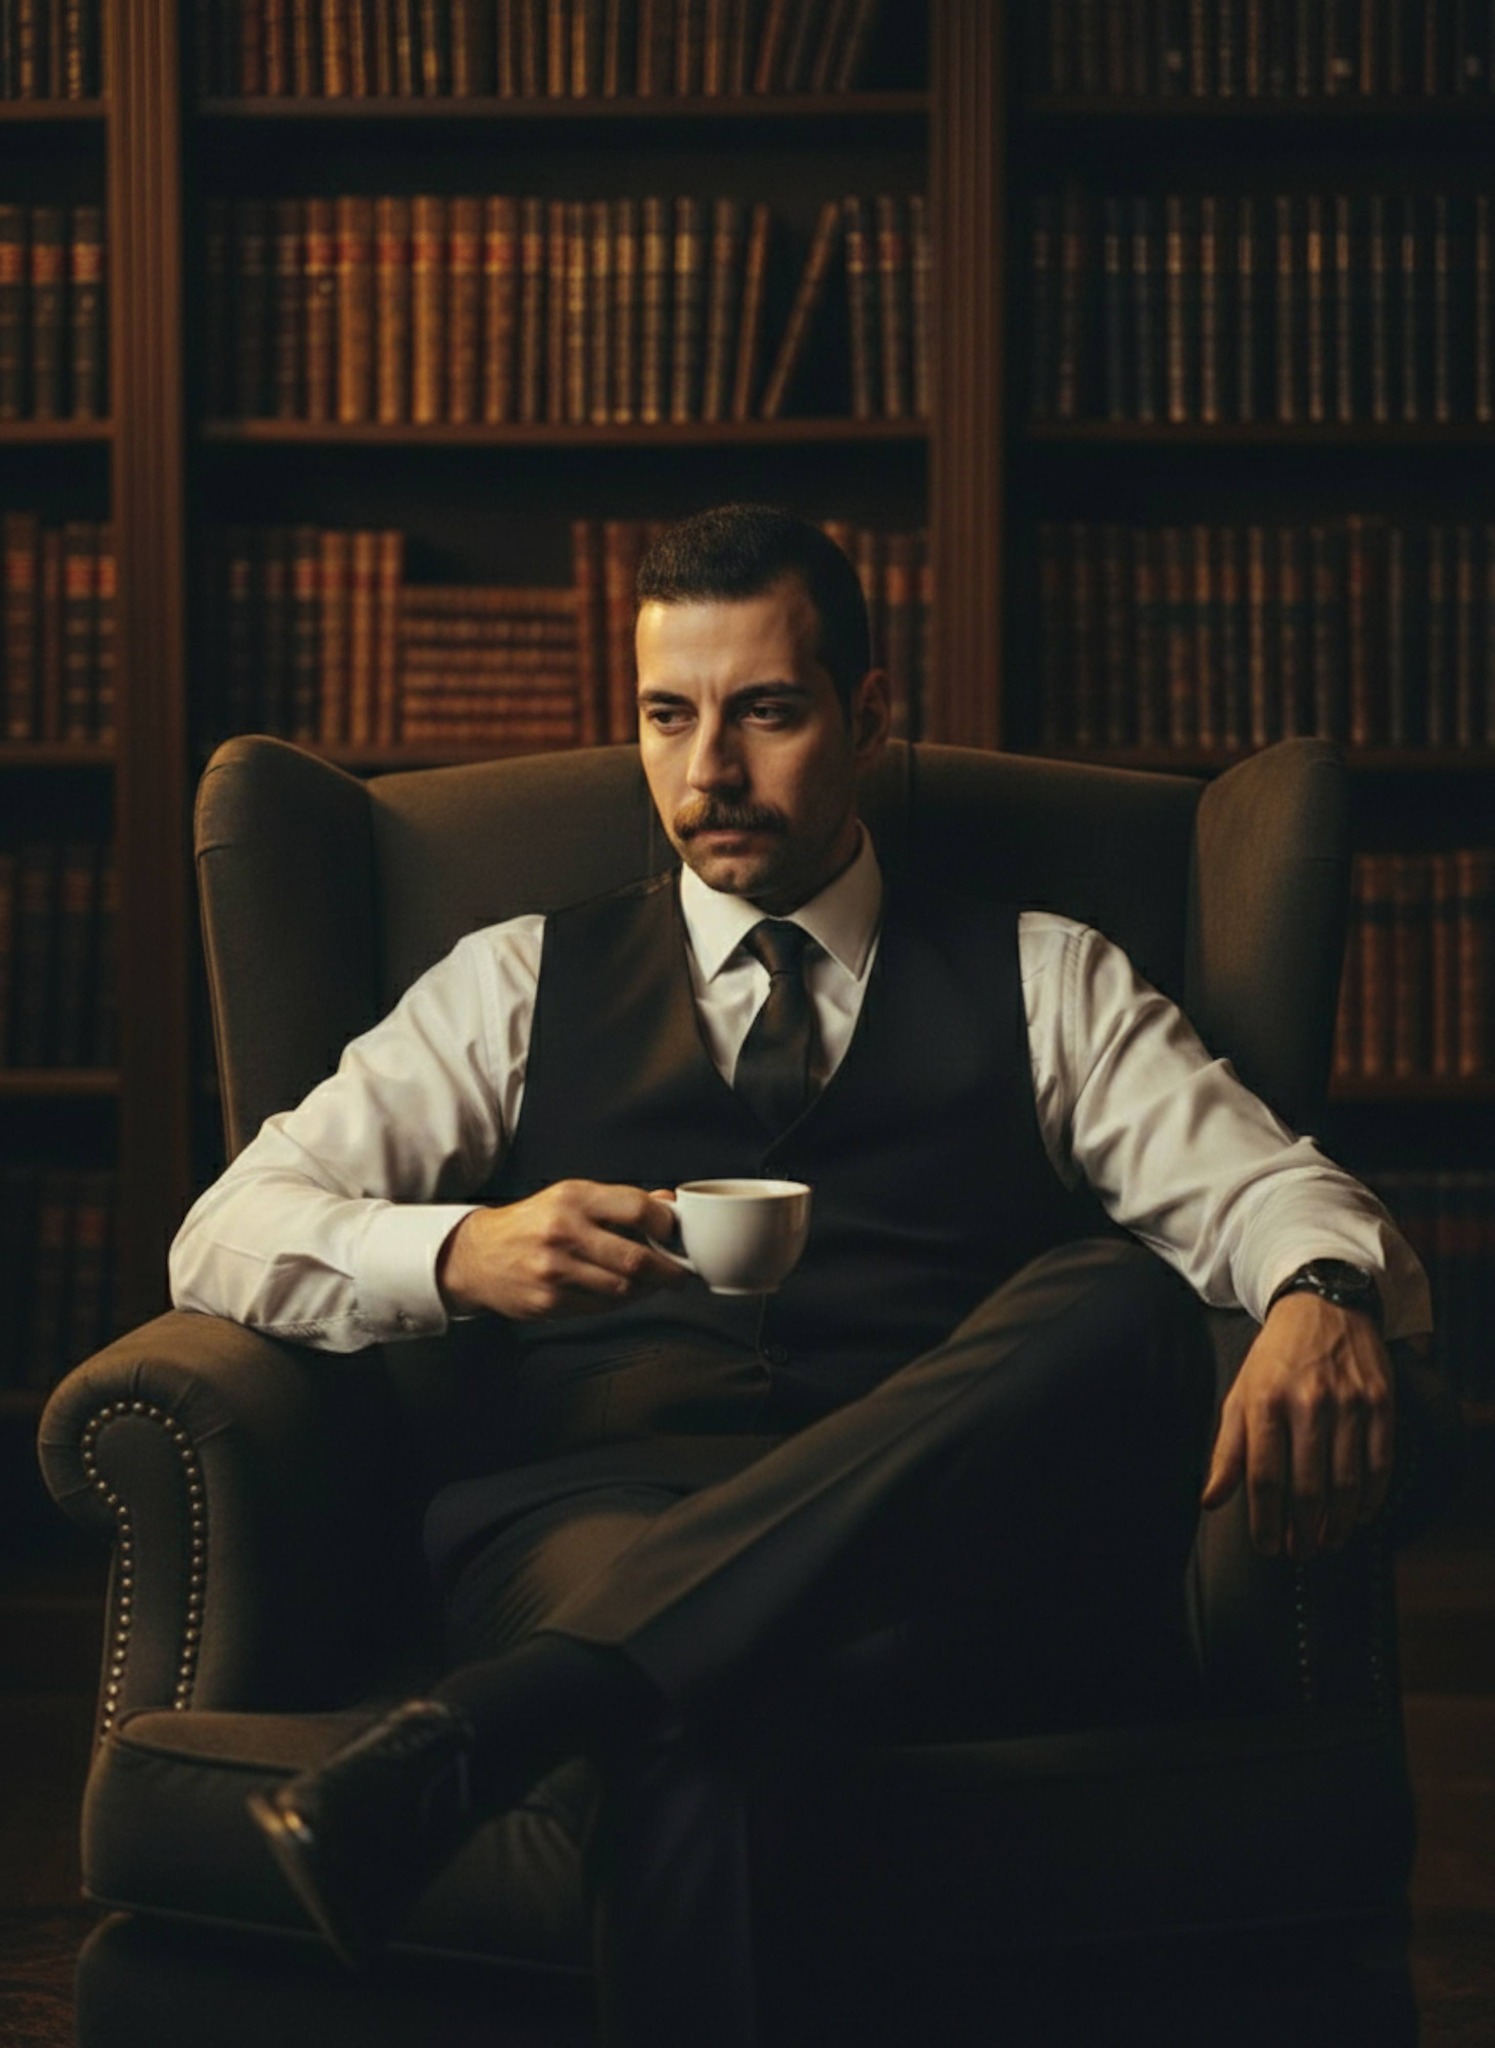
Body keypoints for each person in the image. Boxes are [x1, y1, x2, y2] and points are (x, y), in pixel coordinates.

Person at [170, 504, 1429, 2046]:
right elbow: (223, 1231)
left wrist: (1321, 1294)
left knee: (1120, 1293)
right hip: (591, 1526)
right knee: (713, 1696)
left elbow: (1276, 1190)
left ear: (867, 713)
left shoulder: (1049, 976)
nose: (708, 772)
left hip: (941, 1546)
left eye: (765, 711)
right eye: (666, 715)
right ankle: (576, 1686)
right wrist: (454, 1248)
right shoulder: (511, 982)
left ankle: (494, 1729)